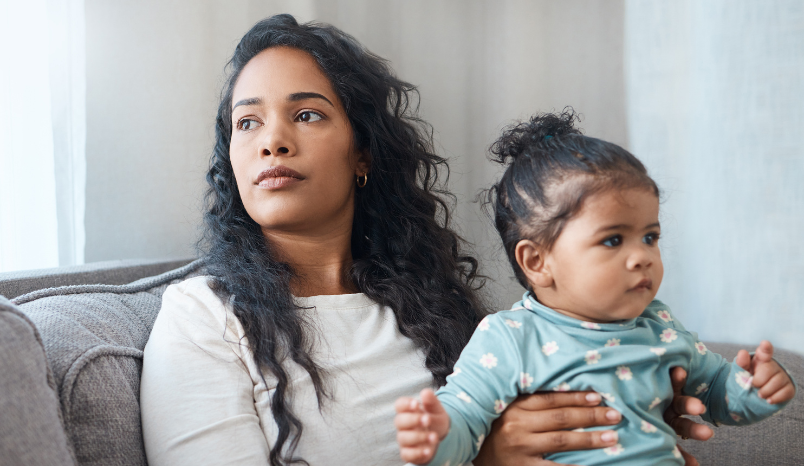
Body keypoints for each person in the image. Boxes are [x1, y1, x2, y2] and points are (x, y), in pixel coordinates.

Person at [140, 15, 711, 466]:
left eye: (307, 115)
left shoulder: (430, 306)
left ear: (362, 154)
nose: (273, 142)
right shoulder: (203, 319)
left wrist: (620, 412)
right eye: (247, 123)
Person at [394, 110, 796, 465]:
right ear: (537, 262)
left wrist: (757, 389)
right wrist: (436, 435)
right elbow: (464, 425)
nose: (642, 256)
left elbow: (721, 394)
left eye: (650, 237)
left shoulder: (660, 326)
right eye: (613, 240)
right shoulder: (509, 339)